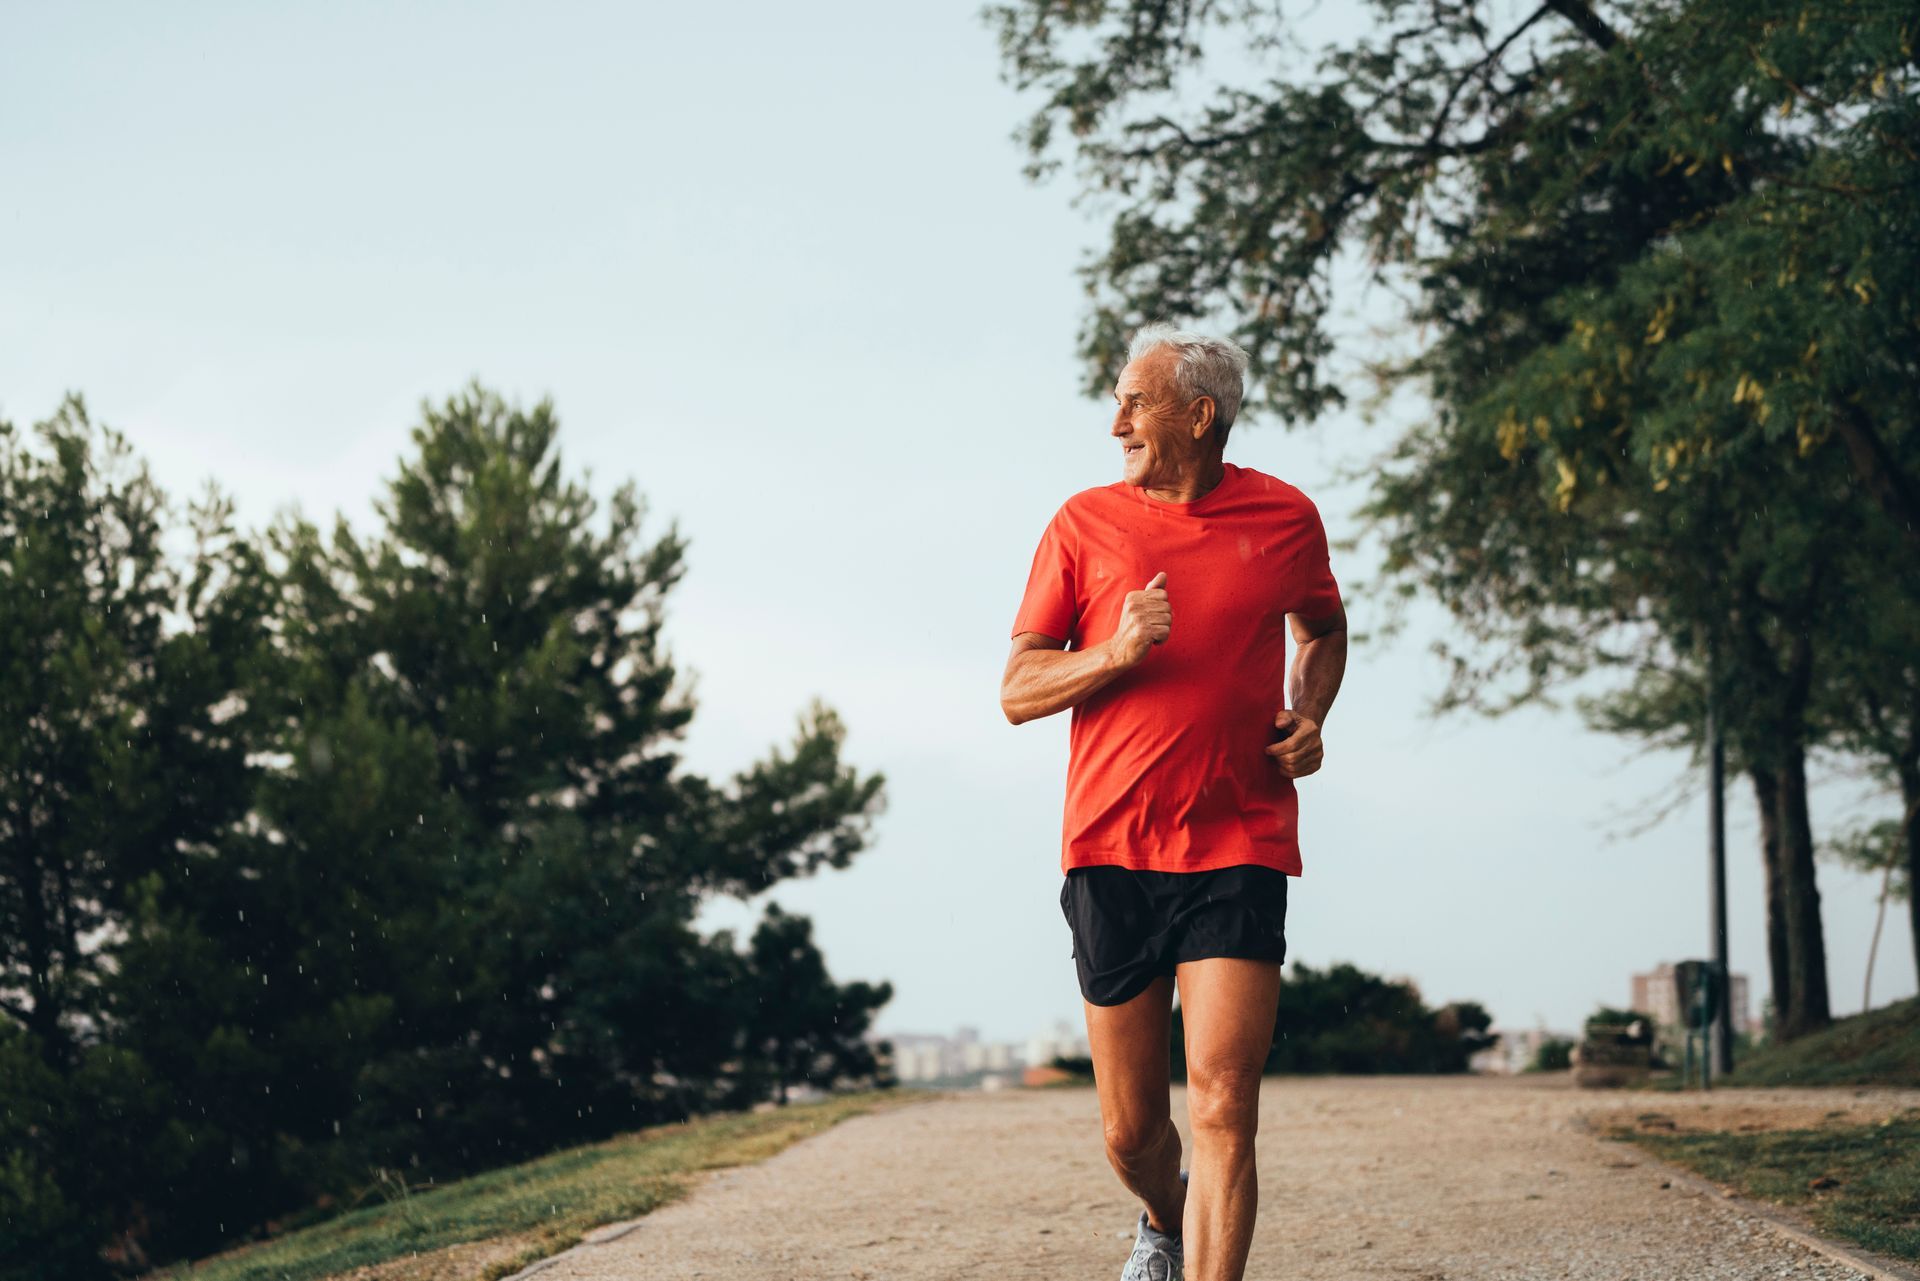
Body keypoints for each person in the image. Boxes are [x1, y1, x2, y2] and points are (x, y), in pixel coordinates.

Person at [1000, 324, 1348, 1281]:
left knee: (1226, 1100)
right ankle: (1163, 1213)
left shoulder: (1285, 519)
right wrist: (1115, 651)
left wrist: (1309, 714)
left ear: (1200, 415)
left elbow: (1322, 627)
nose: (1116, 422)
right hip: (1110, 849)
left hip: (1240, 837)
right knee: (1130, 1129)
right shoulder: (1082, 524)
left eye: (1135, 401)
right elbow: (1016, 689)